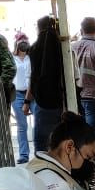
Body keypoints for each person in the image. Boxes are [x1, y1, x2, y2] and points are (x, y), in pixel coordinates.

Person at [26, 16, 69, 155]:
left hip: (42, 101)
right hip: (61, 100)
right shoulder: (63, 47)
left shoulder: (34, 48)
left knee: (42, 142)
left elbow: (33, 77)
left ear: (38, 29)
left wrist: (27, 100)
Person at [12, 40, 33, 164]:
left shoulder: (30, 57)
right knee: (22, 125)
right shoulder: (12, 59)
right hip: (18, 93)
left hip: (32, 93)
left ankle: (40, 152)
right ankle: (24, 154)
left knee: (39, 122)